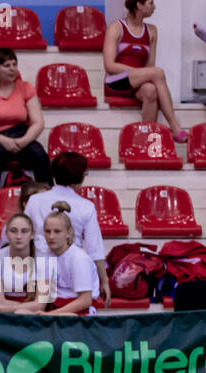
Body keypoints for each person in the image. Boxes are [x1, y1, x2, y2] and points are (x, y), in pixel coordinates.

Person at [23, 152, 111, 305]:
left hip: (40, 271)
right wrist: (105, 281)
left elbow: (23, 239)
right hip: (71, 274)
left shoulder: (34, 201)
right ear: (81, 177)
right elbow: (94, 248)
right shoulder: (86, 206)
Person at [104, 0, 187, 141]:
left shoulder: (152, 31)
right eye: (150, 3)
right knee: (157, 72)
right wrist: (137, 72)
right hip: (115, 82)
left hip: (137, 82)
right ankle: (174, 126)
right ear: (139, 5)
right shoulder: (116, 27)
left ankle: (146, 141)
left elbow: (149, 66)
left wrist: (142, 74)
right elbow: (109, 65)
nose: (154, 7)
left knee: (150, 90)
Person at [0, 48, 51, 193]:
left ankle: (48, 199)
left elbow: (38, 122)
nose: (12, 69)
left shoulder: (26, 87)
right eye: (7, 65)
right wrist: (5, 141)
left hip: (22, 135)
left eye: (14, 64)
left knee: (39, 154)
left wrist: (25, 140)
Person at [0, 213, 50, 314]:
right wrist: (19, 308)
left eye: (24, 231)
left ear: (32, 234)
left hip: (30, 315)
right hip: (3, 317)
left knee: (21, 313)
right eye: (13, 231)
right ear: (6, 234)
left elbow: (40, 305)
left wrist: (4, 308)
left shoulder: (43, 261)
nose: (19, 236)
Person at [39, 203, 99, 316]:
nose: (51, 237)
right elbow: (43, 296)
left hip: (77, 311)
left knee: (68, 317)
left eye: (57, 231)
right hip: (55, 307)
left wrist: (51, 315)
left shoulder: (78, 259)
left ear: (68, 233)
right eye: (47, 231)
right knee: (21, 313)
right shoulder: (46, 257)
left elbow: (85, 300)